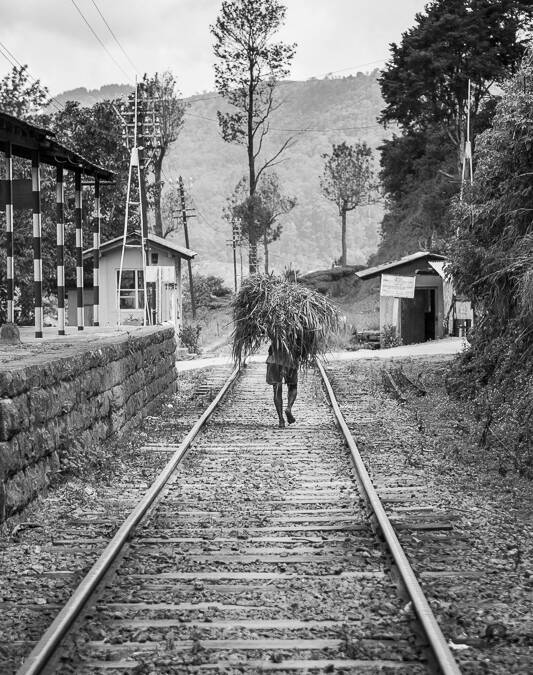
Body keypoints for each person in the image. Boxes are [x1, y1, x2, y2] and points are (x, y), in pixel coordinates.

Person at [266, 341, 298, 428]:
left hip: (274, 359)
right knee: (293, 386)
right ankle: (289, 408)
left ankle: (281, 419)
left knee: (277, 388)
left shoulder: (273, 328)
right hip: (291, 359)